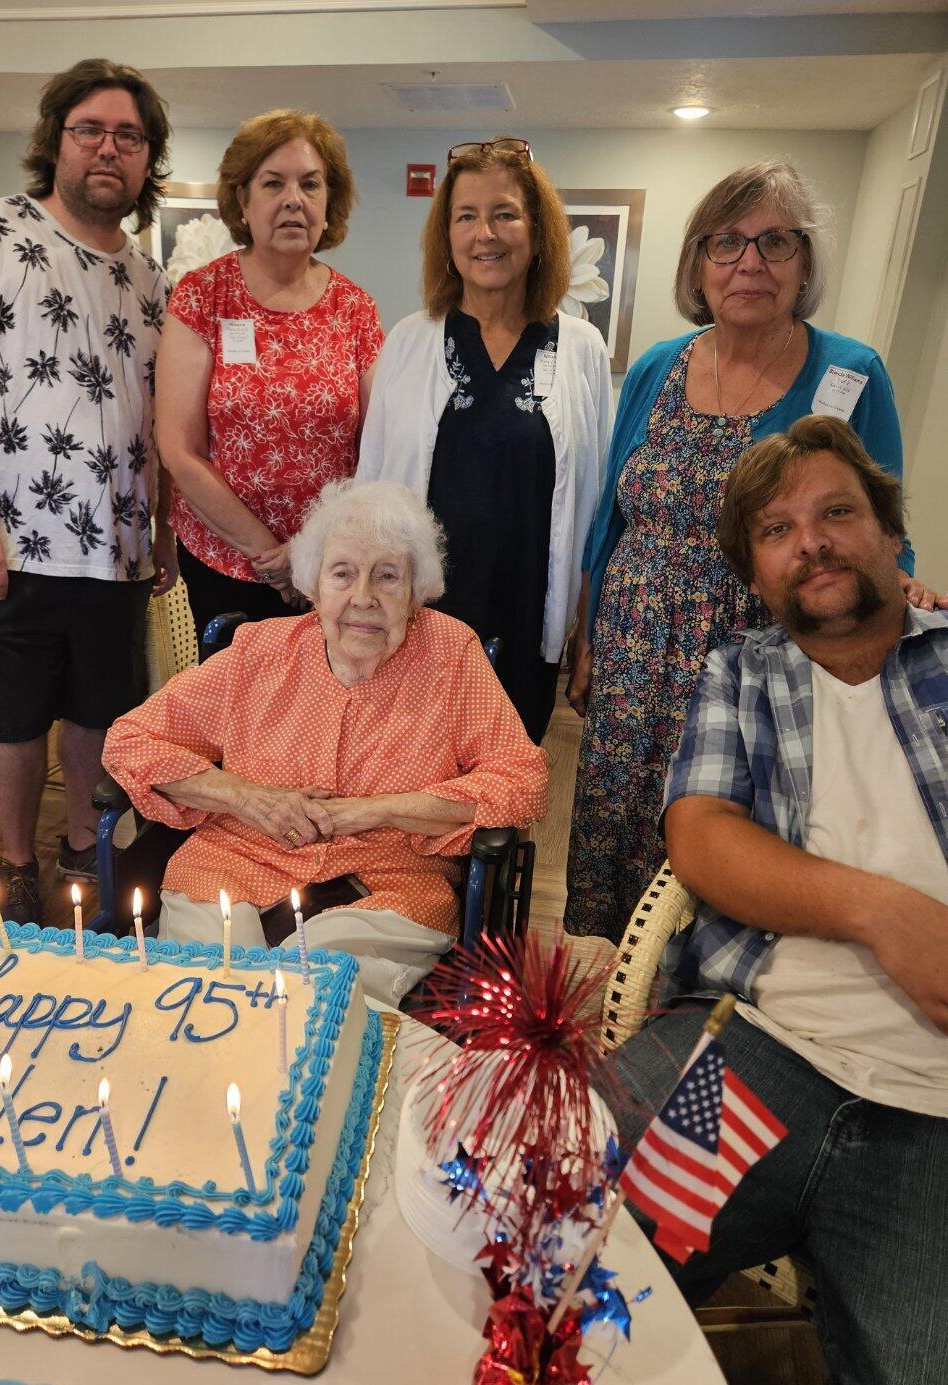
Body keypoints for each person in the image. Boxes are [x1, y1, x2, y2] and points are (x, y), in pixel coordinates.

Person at [604, 415, 947, 1385]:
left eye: (837, 512)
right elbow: (701, 836)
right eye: (777, 530)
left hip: (930, 1117)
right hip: (751, 1051)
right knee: (542, 1253)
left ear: (893, 534)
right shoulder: (743, 671)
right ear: (756, 575)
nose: (812, 543)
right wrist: (883, 914)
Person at [563, 160, 946, 943]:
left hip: (751, 658)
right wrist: (587, 635)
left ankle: (713, 988)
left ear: (804, 264)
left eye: (776, 242)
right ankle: (627, 983)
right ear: (698, 265)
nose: (750, 262)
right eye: (727, 242)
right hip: (633, 650)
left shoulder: (850, 372)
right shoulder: (658, 366)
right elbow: (611, 513)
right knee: (621, 836)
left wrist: (902, 588)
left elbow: (877, 513)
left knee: (734, 838)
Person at [103, 480, 548, 1005]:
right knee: (213, 997)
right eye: (342, 573)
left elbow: (521, 779)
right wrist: (247, 798)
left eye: (387, 576)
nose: (363, 598)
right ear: (314, 585)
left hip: (390, 884)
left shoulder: (450, 655)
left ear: (416, 593)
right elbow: (131, 739)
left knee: (319, 998)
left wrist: (372, 811)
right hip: (233, 862)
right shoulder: (260, 652)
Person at [0, 57, 176, 924]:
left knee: (99, 709)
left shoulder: (152, 282)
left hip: (116, 548)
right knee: (13, 718)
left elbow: (157, 416)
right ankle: (20, 864)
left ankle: (82, 850)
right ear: (56, 141)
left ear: (147, 158)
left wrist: (164, 526)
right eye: (89, 129)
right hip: (5, 545)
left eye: (128, 136)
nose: (108, 148)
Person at [357, 138, 611, 745]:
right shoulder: (409, 341)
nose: (485, 234)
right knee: (416, 771)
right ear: (446, 236)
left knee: (509, 773)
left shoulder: (582, 348)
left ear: (537, 231)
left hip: (527, 615)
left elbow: (597, 505)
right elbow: (370, 488)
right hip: (422, 620)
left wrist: (588, 628)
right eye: (466, 216)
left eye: (505, 214)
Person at [155, 109, 384, 641]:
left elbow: (377, 449)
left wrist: (312, 551)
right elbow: (179, 449)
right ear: (243, 199)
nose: (293, 200)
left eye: (310, 184)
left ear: (329, 202)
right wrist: (269, 553)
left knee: (327, 690)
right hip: (225, 562)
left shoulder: (356, 309)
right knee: (238, 692)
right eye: (273, 183)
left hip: (329, 567)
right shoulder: (202, 295)